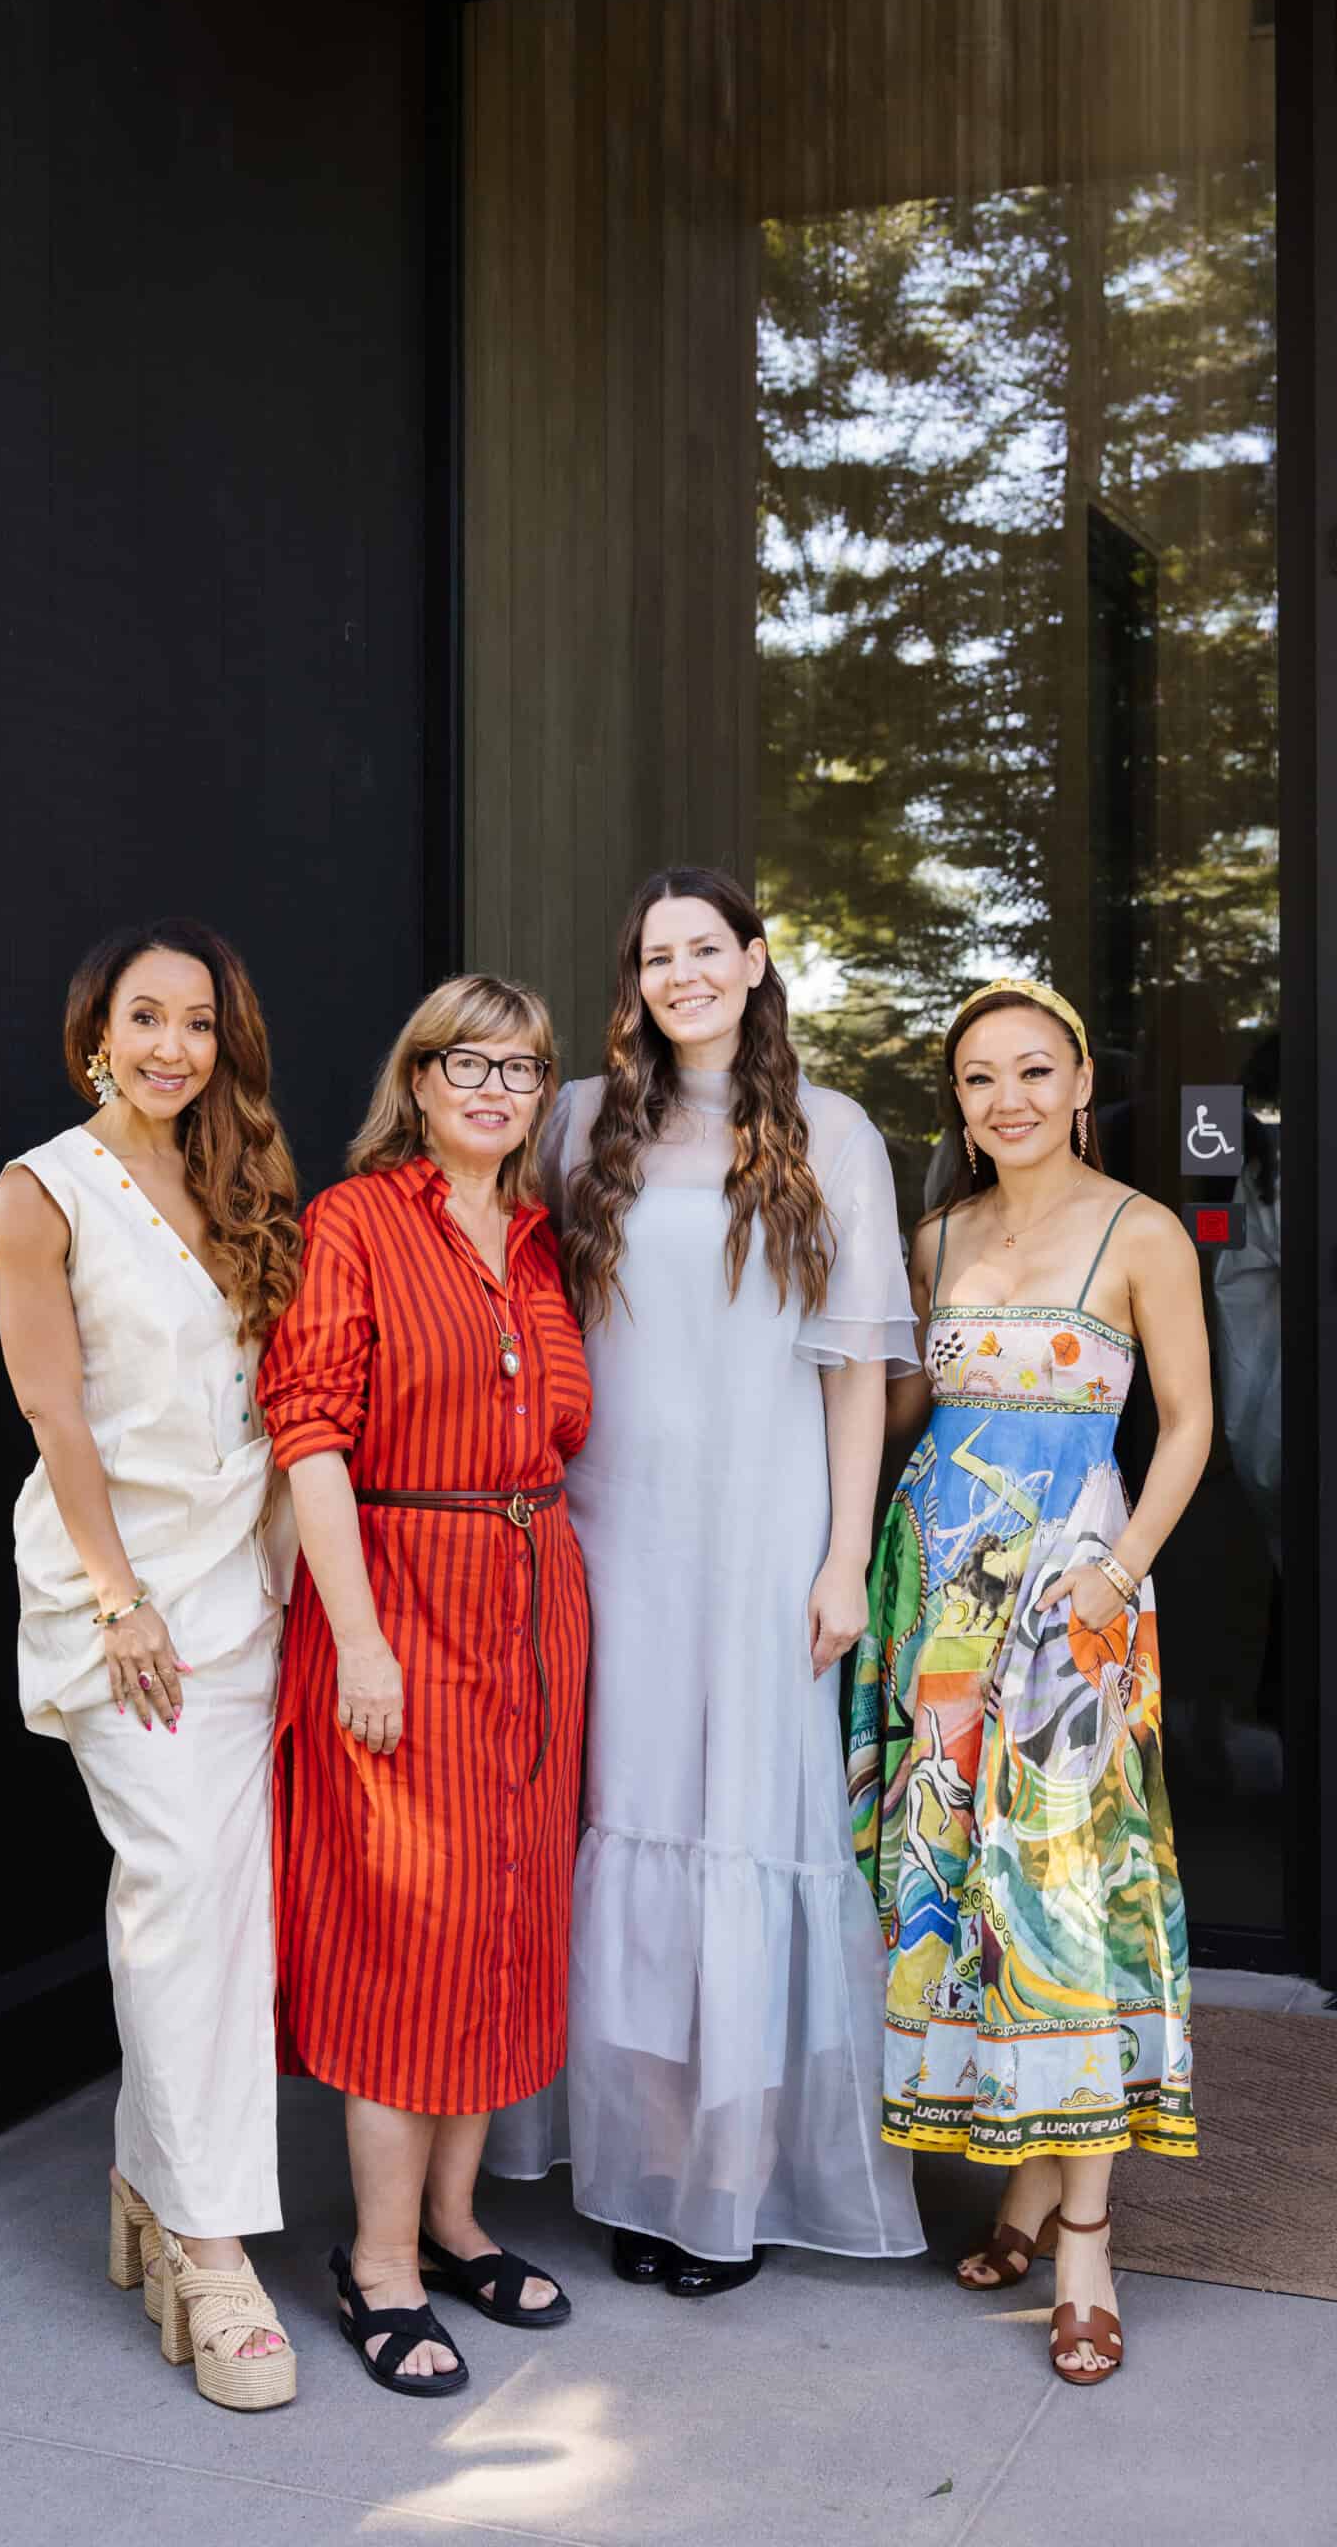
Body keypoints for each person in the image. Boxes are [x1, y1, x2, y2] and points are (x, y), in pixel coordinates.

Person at [487, 866, 924, 2291]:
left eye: (703, 949)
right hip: (610, 1526)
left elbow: (855, 1373)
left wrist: (844, 1555)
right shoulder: (573, 1122)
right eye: (654, 956)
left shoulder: (832, 1132)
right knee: (631, 1814)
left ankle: (730, 2179)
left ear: (753, 960)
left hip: (765, 1530)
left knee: (748, 1813)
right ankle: (643, 2161)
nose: (680, 975)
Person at [848, 978, 1210, 2388]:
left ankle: (1086, 2245)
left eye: (1035, 1071)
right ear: (957, 1100)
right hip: (939, 1594)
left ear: (1081, 1081)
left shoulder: (1143, 1230)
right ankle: (1017, 2184)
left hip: (1074, 1596)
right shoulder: (931, 1237)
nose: (1008, 1099)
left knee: (1061, 1892)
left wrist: (1120, 1571)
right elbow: (895, 1411)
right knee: (961, 1881)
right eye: (981, 1078)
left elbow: (1188, 1426)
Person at [257, 975, 592, 2398]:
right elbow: (310, 1436)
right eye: (467, 1061)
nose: (494, 1088)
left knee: (509, 1916)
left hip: (535, 1607)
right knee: (410, 1936)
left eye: (521, 1068)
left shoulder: (541, 1239)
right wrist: (362, 1639)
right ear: (417, 1075)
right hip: (399, 1600)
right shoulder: (354, 1223)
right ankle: (378, 2263)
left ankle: (455, 2226)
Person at [0, 918, 303, 2412]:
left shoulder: (240, 1180)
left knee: (222, 1911)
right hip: (126, 1605)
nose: (174, 1046)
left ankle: (151, 2172)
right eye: (146, 1018)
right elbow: (55, 1413)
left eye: (199, 1022)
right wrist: (119, 1601)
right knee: (179, 1894)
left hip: (246, 1593)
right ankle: (209, 2245)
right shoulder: (42, 1188)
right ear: (95, 1034)